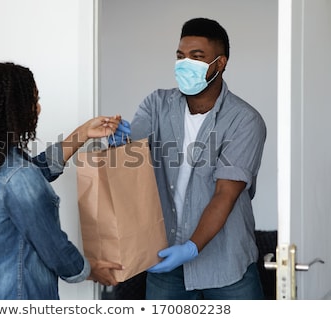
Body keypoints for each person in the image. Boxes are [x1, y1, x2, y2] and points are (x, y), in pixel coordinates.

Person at [111, 17, 266, 299]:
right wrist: (120, 145)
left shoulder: (245, 121)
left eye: (196, 57)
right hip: (165, 260)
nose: (184, 64)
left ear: (219, 64)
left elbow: (225, 194)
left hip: (226, 264)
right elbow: (134, 169)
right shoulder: (156, 105)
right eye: (180, 56)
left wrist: (191, 247)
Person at [0, 61, 123, 299]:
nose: (38, 108)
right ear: (11, 107)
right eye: (32, 101)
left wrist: (83, 133)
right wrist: (91, 269)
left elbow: (35, 172)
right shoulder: (18, 176)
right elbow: (55, 249)